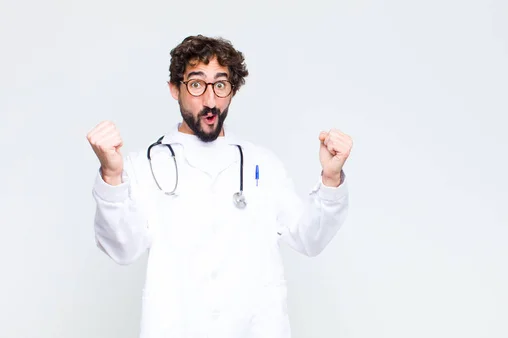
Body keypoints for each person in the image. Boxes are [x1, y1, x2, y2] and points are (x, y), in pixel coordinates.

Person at [86, 34, 352, 338]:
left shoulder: (262, 164)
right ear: (175, 88)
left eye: (221, 85)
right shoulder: (144, 166)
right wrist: (110, 174)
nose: (210, 101)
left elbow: (310, 238)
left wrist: (330, 179)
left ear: (232, 90)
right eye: (197, 84)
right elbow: (122, 249)